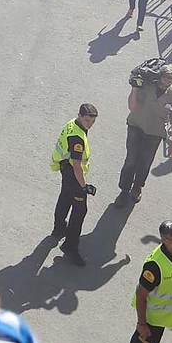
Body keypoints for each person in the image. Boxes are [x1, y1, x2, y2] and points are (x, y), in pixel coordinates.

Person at [118, 64, 172, 204]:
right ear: (160, 76)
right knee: (130, 161)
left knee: (145, 162)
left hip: (155, 133)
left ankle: (137, 187)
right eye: (166, 78)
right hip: (136, 126)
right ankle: (124, 190)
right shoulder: (147, 86)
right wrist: (134, 89)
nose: (168, 82)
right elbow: (132, 107)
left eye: (171, 80)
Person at [50, 103, 99, 266]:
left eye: (92, 121)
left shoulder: (73, 124)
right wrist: (84, 187)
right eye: (87, 121)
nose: (90, 124)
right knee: (80, 210)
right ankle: (70, 247)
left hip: (65, 167)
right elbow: (77, 165)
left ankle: (58, 228)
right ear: (79, 116)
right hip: (73, 173)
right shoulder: (77, 138)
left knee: (65, 197)